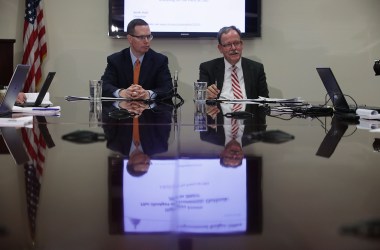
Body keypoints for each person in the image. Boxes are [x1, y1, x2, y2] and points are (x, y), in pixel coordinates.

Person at [101, 18, 173, 100]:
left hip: (151, 110)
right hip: (122, 111)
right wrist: (122, 92)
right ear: (130, 39)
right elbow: (104, 86)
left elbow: (168, 89)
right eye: (141, 37)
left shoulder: (159, 60)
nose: (146, 41)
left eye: (148, 36)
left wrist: (147, 94)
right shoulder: (116, 60)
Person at [199, 26, 269, 100]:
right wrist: (206, 95)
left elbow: (264, 101)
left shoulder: (256, 69)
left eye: (236, 43)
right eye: (228, 44)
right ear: (220, 48)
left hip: (248, 111)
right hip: (218, 111)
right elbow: (200, 98)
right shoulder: (207, 68)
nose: (233, 48)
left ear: (241, 44)